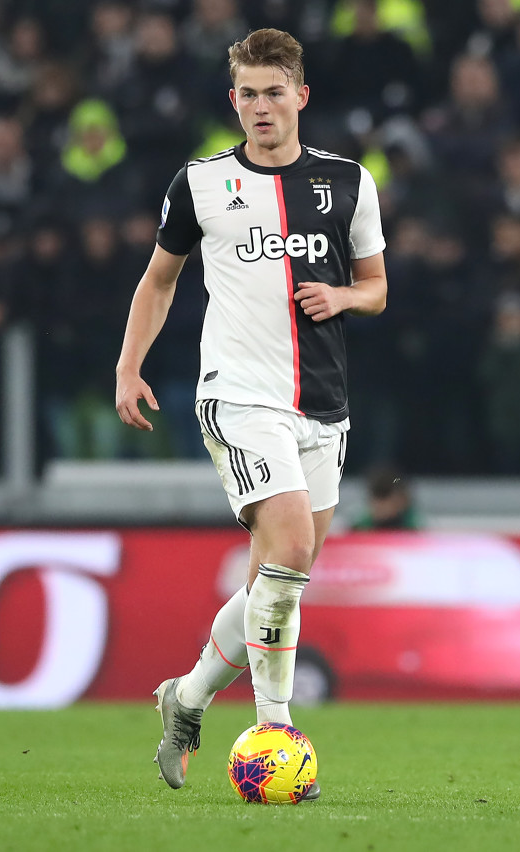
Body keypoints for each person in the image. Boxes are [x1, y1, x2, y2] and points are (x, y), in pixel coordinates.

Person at [113, 29, 387, 798]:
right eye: (248, 95)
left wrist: (343, 296)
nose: (261, 107)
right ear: (232, 101)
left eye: (274, 92)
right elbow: (159, 280)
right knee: (289, 548)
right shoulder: (200, 184)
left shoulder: (348, 182)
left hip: (322, 407)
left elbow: (377, 288)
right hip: (237, 394)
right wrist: (129, 366)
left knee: (281, 574)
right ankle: (277, 730)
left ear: (301, 96)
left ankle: (188, 696)